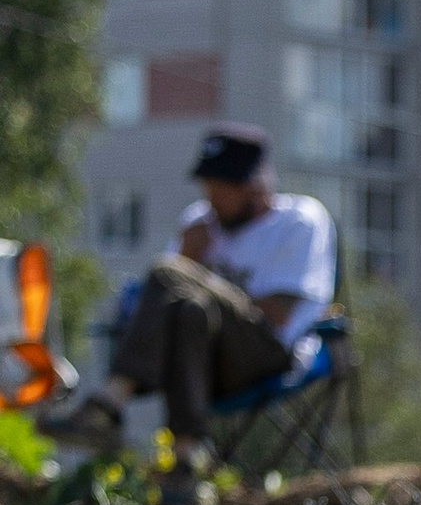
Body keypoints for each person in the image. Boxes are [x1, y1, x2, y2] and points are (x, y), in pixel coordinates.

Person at [37, 126, 337, 469]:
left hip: (268, 354)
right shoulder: (200, 221)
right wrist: (191, 257)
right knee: (189, 310)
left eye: (222, 187)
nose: (211, 198)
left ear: (255, 185)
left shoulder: (300, 221)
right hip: (205, 359)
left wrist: (190, 268)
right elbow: (168, 305)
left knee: (168, 272)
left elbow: (276, 314)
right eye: (208, 186)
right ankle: (185, 458)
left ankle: (109, 403)